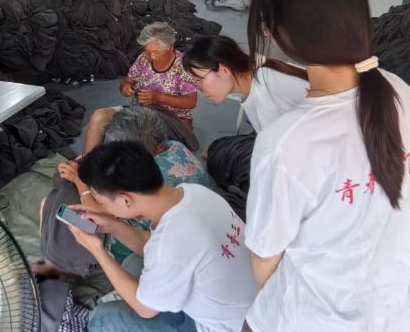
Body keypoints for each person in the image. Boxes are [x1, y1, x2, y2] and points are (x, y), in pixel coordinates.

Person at [244, 0, 410, 331]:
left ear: (277, 34)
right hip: (394, 316)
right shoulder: (400, 92)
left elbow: (264, 259)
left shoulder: (286, 142)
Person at [68, 141, 257, 332]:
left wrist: (97, 250)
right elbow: (152, 245)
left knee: (102, 319)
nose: (102, 208)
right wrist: (113, 226)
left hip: (228, 326)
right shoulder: (192, 192)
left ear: (125, 200)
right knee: (133, 263)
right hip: (252, 301)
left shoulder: (169, 244)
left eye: (102, 202)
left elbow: (145, 310)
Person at [39, 107, 213, 277]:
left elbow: (102, 213)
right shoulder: (174, 147)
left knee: (51, 204)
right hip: (169, 231)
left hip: (131, 244)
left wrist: (80, 183)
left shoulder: (138, 182)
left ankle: (55, 266)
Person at [83, 22, 197, 154]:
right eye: (148, 51)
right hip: (141, 113)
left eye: (157, 52)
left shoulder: (183, 66)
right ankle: (88, 160)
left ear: (170, 47)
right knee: (99, 116)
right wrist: (126, 87)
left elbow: (190, 102)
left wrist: (158, 97)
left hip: (172, 119)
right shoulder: (144, 58)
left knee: (142, 138)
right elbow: (128, 80)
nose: (152, 57)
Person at [182, 35, 308, 132]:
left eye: (199, 79)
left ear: (224, 70)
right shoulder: (258, 72)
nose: (198, 87)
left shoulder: (274, 86)